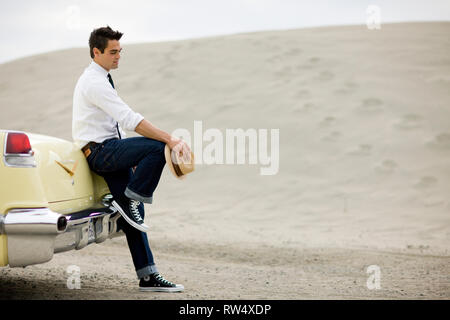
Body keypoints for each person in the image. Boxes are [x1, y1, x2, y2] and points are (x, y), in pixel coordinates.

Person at [72, 26, 191, 292]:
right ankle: (133, 197)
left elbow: (115, 124)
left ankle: (148, 276)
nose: (118, 57)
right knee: (155, 147)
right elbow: (129, 118)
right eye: (113, 52)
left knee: (132, 216)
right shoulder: (94, 82)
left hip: (109, 150)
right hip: (101, 153)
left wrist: (128, 158)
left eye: (120, 52)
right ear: (96, 51)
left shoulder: (101, 78)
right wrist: (169, 139)